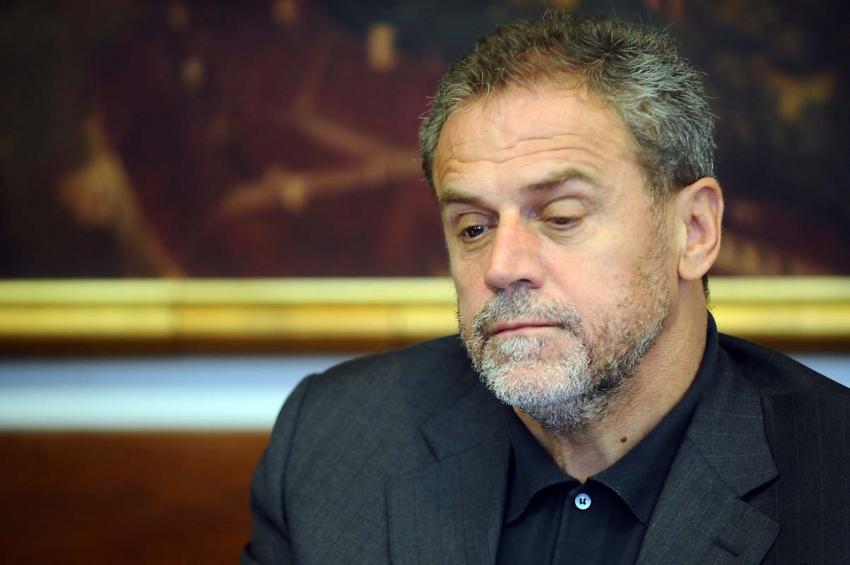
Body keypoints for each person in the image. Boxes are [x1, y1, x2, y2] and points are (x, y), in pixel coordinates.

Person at [242, 12, 850, 564]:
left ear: (693, 231)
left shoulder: (833, 478)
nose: (501, 266)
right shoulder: (333, 442)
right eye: (474, 227)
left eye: (561, 216)